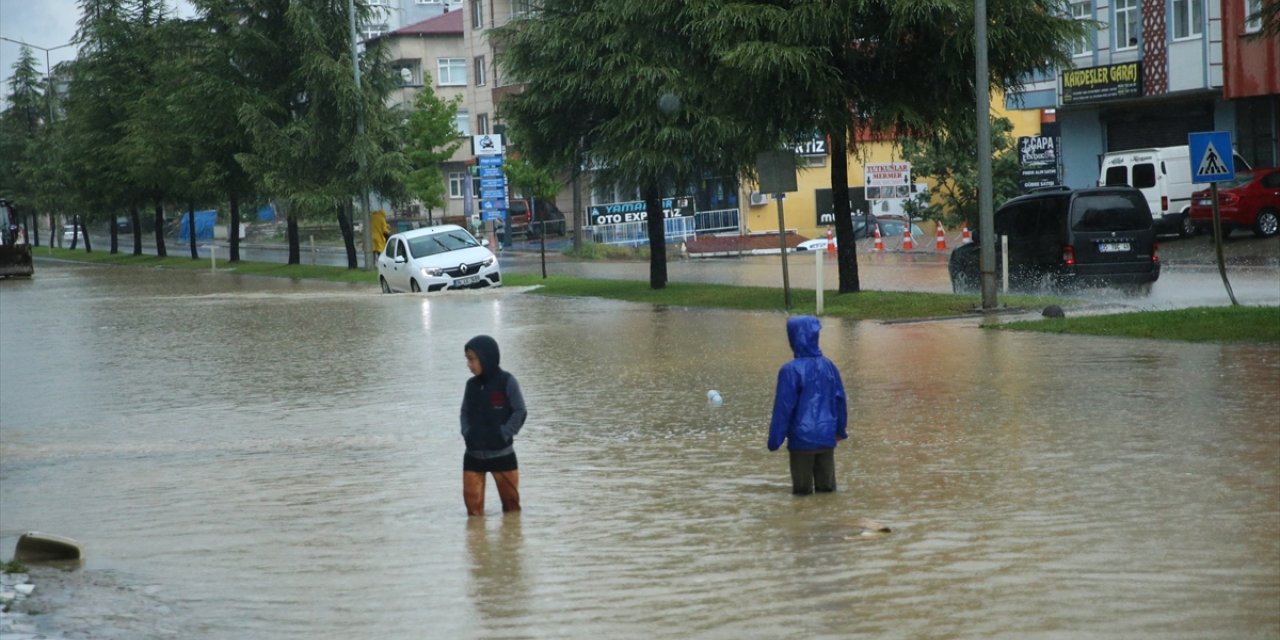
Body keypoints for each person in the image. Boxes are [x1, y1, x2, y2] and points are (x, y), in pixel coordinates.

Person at [767, 316, 849, 495]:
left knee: (802, 494)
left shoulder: (789, 370)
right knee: (827, 492)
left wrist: (775, 440)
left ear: (792, 337)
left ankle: (804, 520)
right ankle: (828, 521)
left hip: (801, 441)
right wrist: (840, 431)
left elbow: (783, 408)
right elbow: (840, 401)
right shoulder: (829, 366)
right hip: (826, 438)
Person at [461, 335, 527, 516]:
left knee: (512, 511)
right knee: (473, 515)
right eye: (467, 360)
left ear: (485, 358)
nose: (469, 365)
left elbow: (520, 411)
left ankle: (510, 543)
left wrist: (504, 433)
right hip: (473, 456)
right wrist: (467, 433)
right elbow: (464, 413)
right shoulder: (471, 385)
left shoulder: (507, 381)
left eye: (472, 360)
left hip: (502, 454)